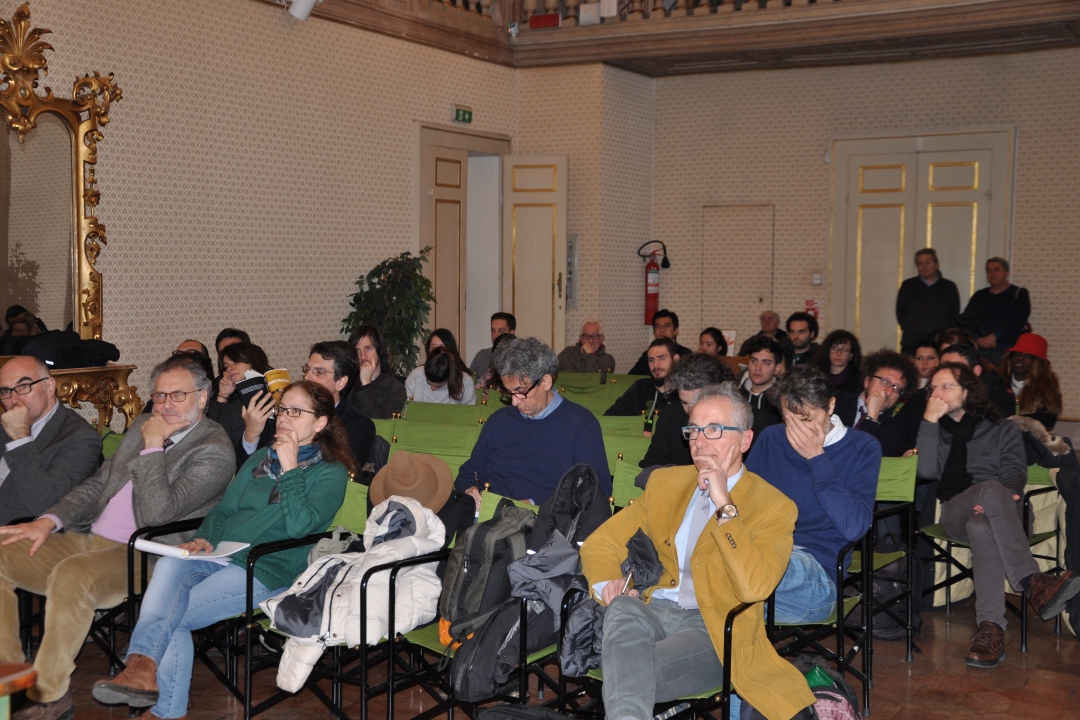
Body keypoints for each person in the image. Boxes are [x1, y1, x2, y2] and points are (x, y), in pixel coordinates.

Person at [91, 381, 353, 717]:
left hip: (267, 567)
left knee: (174, 615)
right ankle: (142, 673)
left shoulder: (329, 473)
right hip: (223, 552)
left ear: (320, 423)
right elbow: (225, 510)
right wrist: (206, 537)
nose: (284, 417)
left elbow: (301, 527)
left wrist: (289, 469)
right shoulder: (261, 458)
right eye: (282, 409)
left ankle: (154, 693)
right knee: (169, 567)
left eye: (296, 411)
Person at [0, 354, 235, 720]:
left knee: (74, 575)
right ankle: (9, 682)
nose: (165, 405)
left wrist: (154, 445)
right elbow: (97, 485)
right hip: (87, 536)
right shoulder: (142, 423)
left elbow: (159, 512)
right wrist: (47, 521)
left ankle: (49, 695)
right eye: (159, 396)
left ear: (203, 398)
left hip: (146, 555)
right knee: (3, 550)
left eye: (177, 396)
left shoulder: (214, 449)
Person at [580, 383, 816, 720]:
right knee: (621, 609)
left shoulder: (774, 506)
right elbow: (600, 543)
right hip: (651, 609)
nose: (700, 441)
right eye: (693, 430)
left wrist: (725, 506)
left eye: (714, 430)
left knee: (627, 675)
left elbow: (754, 587)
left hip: (713, 628)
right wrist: (608, 585)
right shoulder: (666, 484)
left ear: (745, 441)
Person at [917, 362, 1080, 669]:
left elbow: (1014, 472)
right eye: (932, 388)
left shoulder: (1003, 428)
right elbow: (926, 472)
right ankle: (1033, 581)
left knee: (983, 522)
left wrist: (1000, 497)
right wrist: (928, 420)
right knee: (987, 495)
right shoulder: (936, 430)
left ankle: (990, 630)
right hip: (956, 511)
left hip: (1006, 514)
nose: (936, 393)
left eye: (945, 386)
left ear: (967, 392)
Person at [746, 364, 880, 624]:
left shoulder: (862, 447)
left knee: (731, 576)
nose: (798, 431)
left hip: (816, 572)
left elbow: (854, 528)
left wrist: (817, 458)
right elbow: (746, 504)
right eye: (788, 420)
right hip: (762, 555)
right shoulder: (772, 438)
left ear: (830, 406)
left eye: (807, 419)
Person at [454, 337, 609, 507]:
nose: (514, 402)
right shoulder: (499, 421)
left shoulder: (582, 425)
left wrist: (535, 504)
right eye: (509, 393)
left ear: (546, 381)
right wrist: (470, 489)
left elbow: (597, 491)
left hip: (547, 521)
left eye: (520, 392)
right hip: (492, 519)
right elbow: (469, 472)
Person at [0, 356, 101, 526]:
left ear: (49, 387)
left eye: (23, 386)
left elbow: (46, 504)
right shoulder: (5, 423)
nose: (14, 400)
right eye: (5, 391)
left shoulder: (81, 438)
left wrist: (20, 439)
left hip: (16, 527)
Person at [639, 354, 733, 470]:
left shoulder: (737, 419)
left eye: (696, 402)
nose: (690, 409)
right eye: (684, 402)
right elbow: (649, 468)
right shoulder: (670, 416)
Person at [835, 349, 920, 457]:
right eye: (885, 382)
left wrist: (872, 416)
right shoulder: (837, 402)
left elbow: (859, 458)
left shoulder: (895, 430)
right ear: (867, 381)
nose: (889, 392)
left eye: (897, 388)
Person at [959, 257, 1031, 366]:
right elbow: (966, 321)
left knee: (1002, 381)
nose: (992, 273)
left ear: (1007, 272)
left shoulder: (1019, 294)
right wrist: (979, 339)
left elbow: (1018, 321)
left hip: (1006, 349)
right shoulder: (980, 296)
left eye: (997, 269)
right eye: (989, 270)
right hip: (980, 349)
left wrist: (994, 336)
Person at [896, 248, 961, 356]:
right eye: (920, 263)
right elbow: (900, 313)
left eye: (928, 262)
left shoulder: (949, 287)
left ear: (937, 264)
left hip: (939, 344)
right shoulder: (908, 286)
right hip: (912, 344)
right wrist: (911, 328)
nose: (924, 267)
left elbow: (954, 315)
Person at [604, 339, 679, 419]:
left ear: (675, 359)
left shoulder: (684, 392)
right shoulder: (641, 388)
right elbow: (611, 416)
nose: (655, 365)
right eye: (651, 360)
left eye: (661, 358)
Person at [1001, 333, 1062, 431]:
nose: (1020, 358)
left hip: (1030, 440)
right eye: (1016, 354)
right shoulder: (997, 383)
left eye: (1028, 356)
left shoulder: (1046, 387)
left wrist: (1017, 420)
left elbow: (1049, 419)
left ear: (1038, 363)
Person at [345, 324, 406, 420]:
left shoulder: (395, 389)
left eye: (368, 348)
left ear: (380, 351)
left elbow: (379, 426)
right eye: (357, 350)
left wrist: (366, 384)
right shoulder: (347, 382)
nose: (363, 356)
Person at [940, 343, 1014, 420]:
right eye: (944, 368)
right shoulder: (933, 396)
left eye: (958, 368)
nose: (949, 373)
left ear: (976, 371)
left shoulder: (998, 401)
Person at [738, 336, 784, 450]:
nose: (758, 368)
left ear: (777, 368)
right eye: (754, 361)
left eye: (766, 363)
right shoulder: (735, 397)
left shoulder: (784, 400)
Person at [628, 310, 693, 376]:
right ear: (654, 332)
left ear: (676, 331)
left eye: (667, 326)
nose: (662, 330)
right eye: (658, 326)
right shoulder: (648, 355)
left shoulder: (686, 355)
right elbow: (631, 377)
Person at [405, 346, 476, 405]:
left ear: (450, 378)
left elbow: (469, 415)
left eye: (439, 386)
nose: (432, 389)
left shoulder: (466, 382)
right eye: (428, 383)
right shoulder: (416, 375)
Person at [814, 329, 862, 395]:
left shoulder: (858, 379)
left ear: (851, 355)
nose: (838, 353)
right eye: (835, 348)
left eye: (844, 350)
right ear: (828, 350)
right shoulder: (816, 374)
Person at [468, 312, 516, 378]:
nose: (495, 335)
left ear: (511, 333)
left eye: (501, 331)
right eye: (492, 331)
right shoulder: (482, 356)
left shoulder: (520, 358)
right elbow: (469, 383)